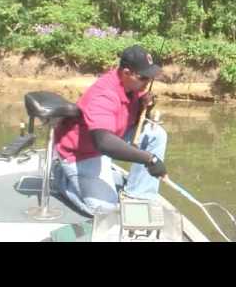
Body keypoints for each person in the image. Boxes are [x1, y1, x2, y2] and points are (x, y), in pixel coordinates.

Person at [53, 45, 168, 216]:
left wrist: (145, 106)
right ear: (127, 72)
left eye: (150, 78)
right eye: (144, 77)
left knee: (155, 134)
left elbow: (129, 121)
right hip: (81, 153)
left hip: (109, 139)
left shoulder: (132, 87)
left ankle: (138, 194)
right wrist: (149, 159)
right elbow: (104, 142)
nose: (148, 82)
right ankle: (62, 176)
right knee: (105, 211)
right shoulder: (104, 95)